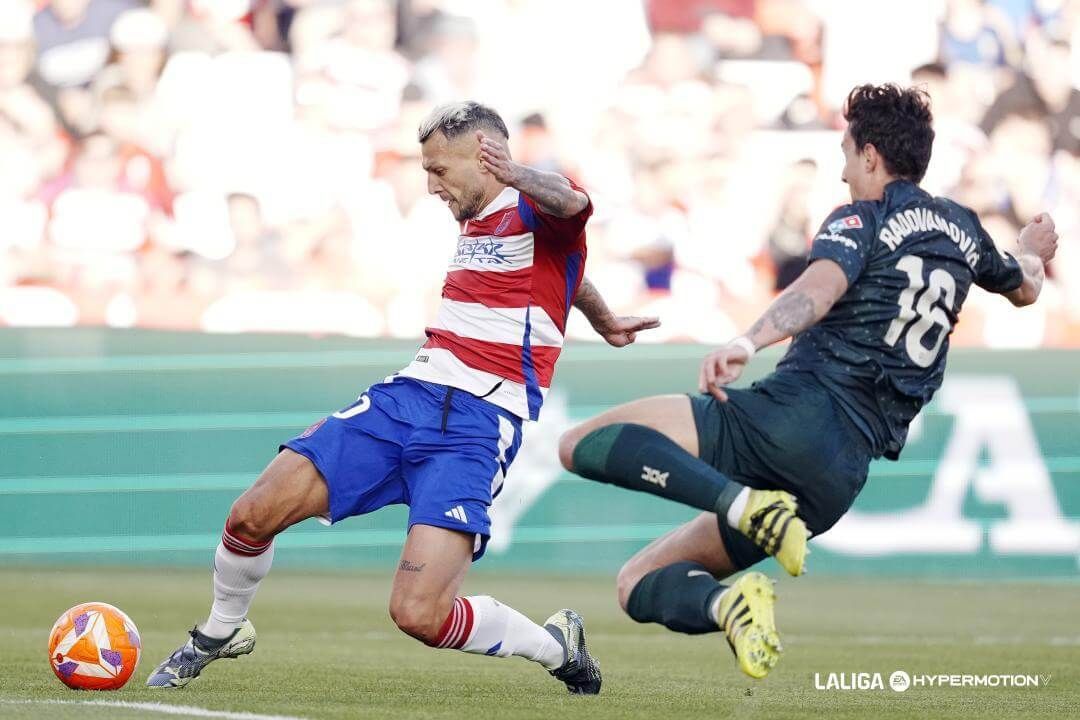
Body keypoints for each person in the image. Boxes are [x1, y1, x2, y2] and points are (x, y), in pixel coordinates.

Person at [146, 101, 659, 693]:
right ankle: (219, 631)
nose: (431, 184)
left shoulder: (536, 202)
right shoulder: (481, 219)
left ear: (487, 157)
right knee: (251, 514)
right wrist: (600, 316)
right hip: (406, 398)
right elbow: (567, 271)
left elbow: (573, 207)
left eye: (440, 170)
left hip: (477, 425)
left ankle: (555, 647)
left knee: (420, 615)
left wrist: (517, 174)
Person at [557, 83, 1058, 679]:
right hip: (836, 481)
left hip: (792, 419)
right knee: (636, 582)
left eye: (846, 153)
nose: (844, 172)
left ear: (871, 155)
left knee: (577, 446)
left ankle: (743, 504)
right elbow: (1025, 286)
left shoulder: (864, 216)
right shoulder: (963, 229)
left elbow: (820, 289)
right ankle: (728, 604)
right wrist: (1028, 251)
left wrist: (747, 341)